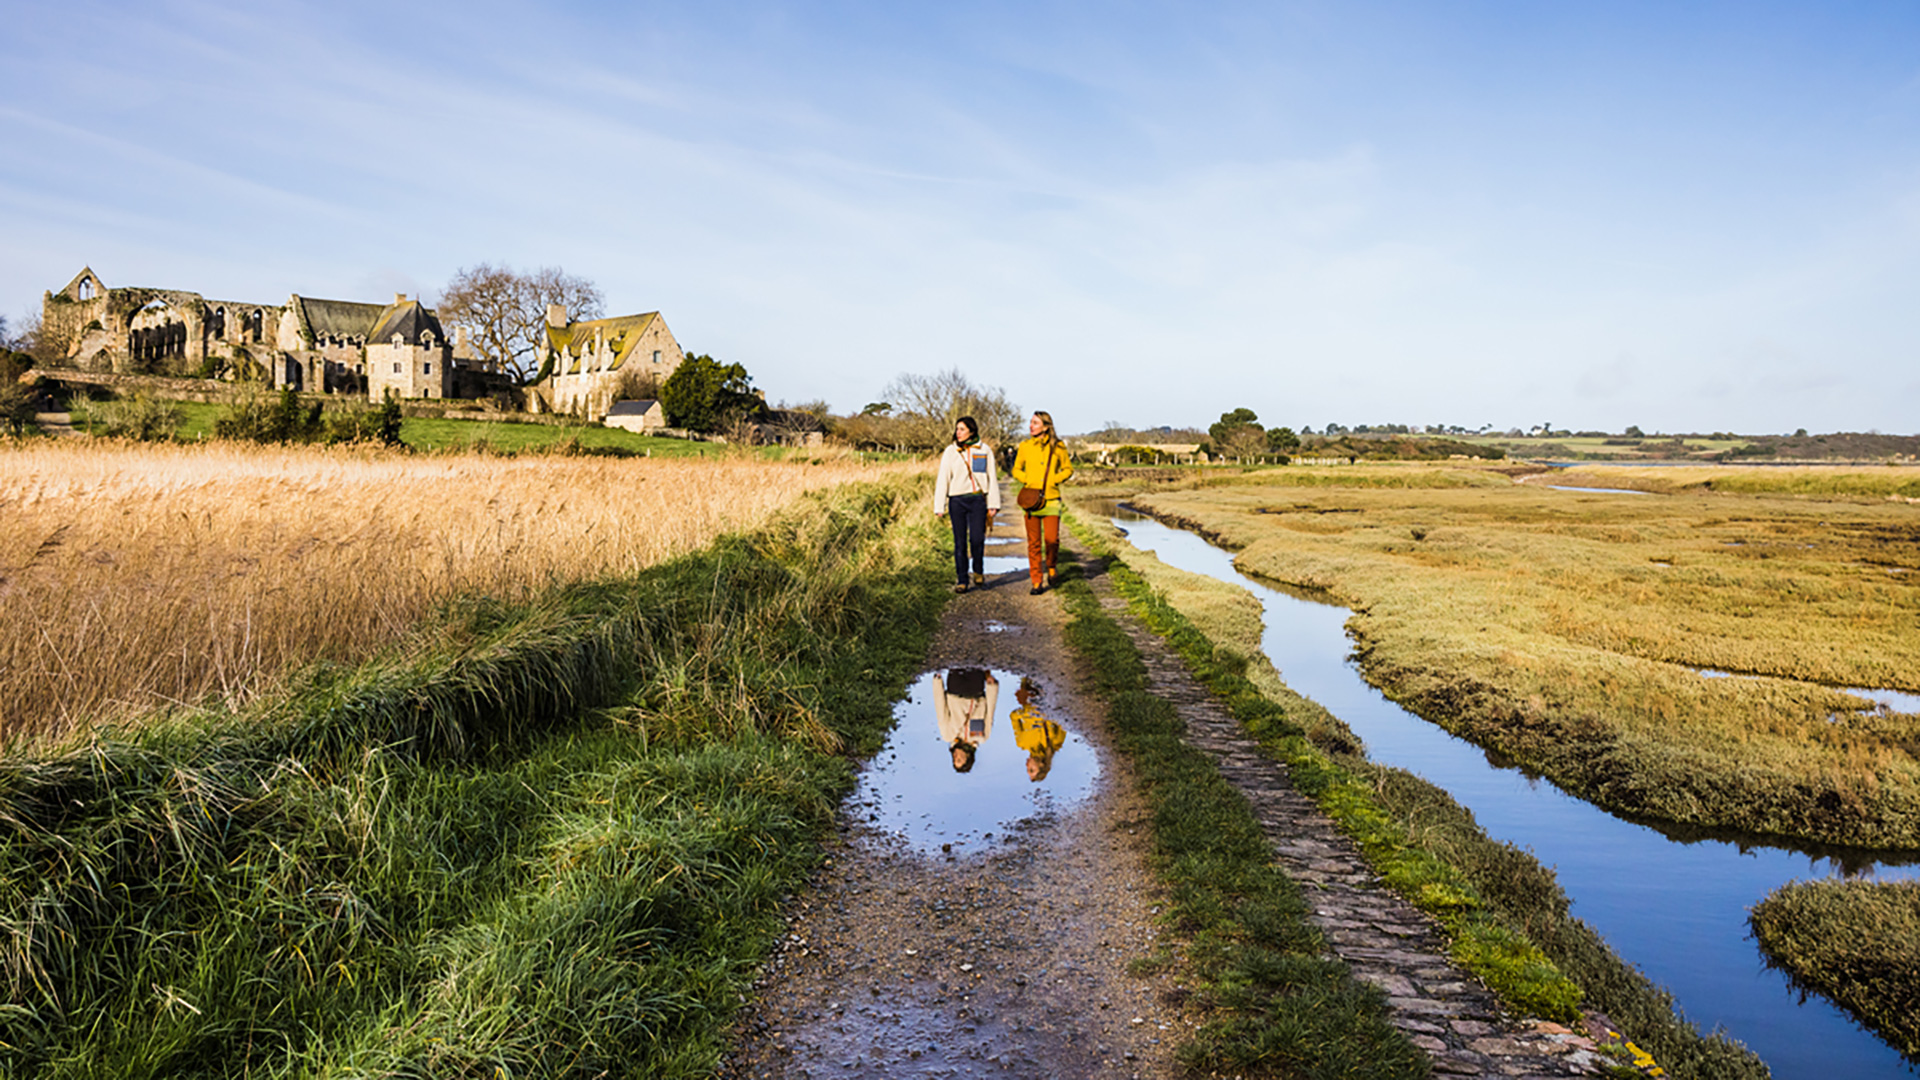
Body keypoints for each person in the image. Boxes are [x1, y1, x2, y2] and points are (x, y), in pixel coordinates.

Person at [933, 415, 1001, 592]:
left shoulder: (984, 450)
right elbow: (943, 478)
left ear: (972, 430)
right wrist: (939, 505)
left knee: (977, 539)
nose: (958, 432)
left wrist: (993, 503)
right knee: (960, 542)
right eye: (957, 429)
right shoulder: (951, 451)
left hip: (977, 499)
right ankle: (962, 580)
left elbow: (991, 477)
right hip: (957, 501)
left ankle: (978, 570)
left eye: (962, 429)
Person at [1009, 410, 1074, 594]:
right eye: (1031, 422)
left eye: (1035, 423)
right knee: (1034, 543)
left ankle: (1051, 567)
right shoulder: (1025, 446)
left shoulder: (1058, 447)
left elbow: (1068, 469)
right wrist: (1027, 479)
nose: (1031, 426)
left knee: (1052, 540)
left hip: (1051, 499)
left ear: (1046, 427)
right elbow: (1016, 469)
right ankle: (1036, 581)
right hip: (1031, 500)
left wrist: (1054, 479)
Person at [933, 668, 997, 773]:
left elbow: (940, 708)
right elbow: (990, 713)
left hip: (955, 690)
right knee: (976, 659)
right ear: (968, 757)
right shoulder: (980, 737)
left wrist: (937, 681)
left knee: (958, 658)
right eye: (959, 759)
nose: (955, 756)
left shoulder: (948, 735)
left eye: (954, 759)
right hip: (976, 690)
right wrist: (992, 687)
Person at [1008, 677, 1065, 783]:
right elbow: (1063, 720)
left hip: (1029, 697)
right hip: (1048, 698)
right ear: (1042, 765)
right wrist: (1047, 715)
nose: (1026, 765)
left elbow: (1013, 717)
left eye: (1028, 769)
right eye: (1031, 769)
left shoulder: (1022, 743)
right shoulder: (1055, 743)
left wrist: (1025, 714)